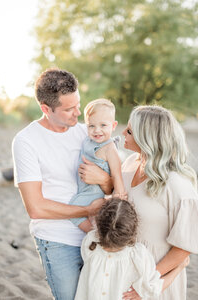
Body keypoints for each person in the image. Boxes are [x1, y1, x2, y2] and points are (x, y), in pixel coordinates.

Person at [12, 68, 112, 300]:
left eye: (78, 104)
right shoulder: (26, 142)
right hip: (57, 241)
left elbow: (113, 187)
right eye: (69, 109)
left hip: (96, 237)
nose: (78, 113)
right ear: (46, 109)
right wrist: (88, 210)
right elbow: (36, 208)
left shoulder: (87, 134)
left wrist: (104, 179)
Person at [121, 105, 198, 300]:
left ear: (147, 138)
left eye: (129, 131)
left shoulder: (178, 186)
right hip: (122, 269)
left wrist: (146, 283)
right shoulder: (130, 163)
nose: (123, 132)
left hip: (155, 276)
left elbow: (183, 248)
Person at [75, 198, 189, 300]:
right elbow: (154, 288)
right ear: (133, 229)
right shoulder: (137, 255)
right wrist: (179, 268)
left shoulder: (90, 243)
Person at [69, 99, 127, 232]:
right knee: (90, 216)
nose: (97, 130)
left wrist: (119, 198)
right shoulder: (89, 140)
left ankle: (96, 236)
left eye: (103, 125)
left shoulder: (109, 148)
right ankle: (98, 233)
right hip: (84, 189)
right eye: (91, 126)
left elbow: (116, 174)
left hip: (93, 192)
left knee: (74, 211)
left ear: (113, 126)